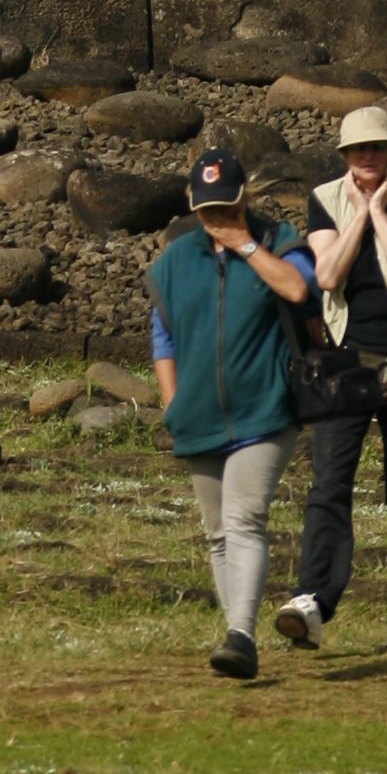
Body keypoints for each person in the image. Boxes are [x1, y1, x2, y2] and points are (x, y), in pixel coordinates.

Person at [276, 105, 387, 655]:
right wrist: (356, 211)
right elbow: (328, 275)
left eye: (377, 149)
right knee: (329, 482)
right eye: (358, 151)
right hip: (346, 362)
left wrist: (380, 211)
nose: (367, 158)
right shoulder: (325, 200)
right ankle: (312, 600)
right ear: (344, 157)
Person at [147, 146, 316, 681]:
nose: (216, 218)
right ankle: (235, 633)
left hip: (267, 410)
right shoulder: (175, 262)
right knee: (218, 532)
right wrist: (171, 401)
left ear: (245, 200)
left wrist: (243, 244)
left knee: (245, 519)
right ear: (192, 207)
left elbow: (298, 288)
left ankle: (240, 637)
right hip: (196, 417)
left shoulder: (279, 242)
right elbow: (163, 335)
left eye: (227, 206)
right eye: (207, 210)